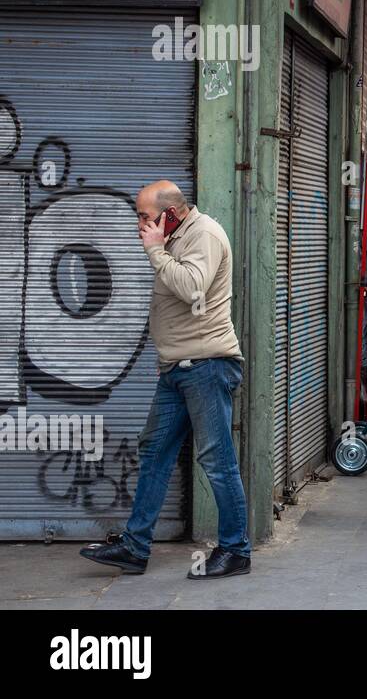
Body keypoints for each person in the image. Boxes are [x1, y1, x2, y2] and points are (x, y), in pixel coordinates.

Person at [80, 181, 250, 579]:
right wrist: (167, 355)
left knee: (217, 460)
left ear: (170, 214)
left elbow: (193, 288)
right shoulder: (177, 237)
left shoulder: (203, 234)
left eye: (145, 217)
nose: (140, 225)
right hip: (179, 367)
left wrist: (155, 250)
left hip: (206, 366)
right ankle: (135, 548)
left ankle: (236, 550)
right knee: (154, 451)